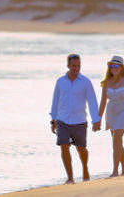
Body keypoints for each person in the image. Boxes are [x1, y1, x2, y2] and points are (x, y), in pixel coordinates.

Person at [50, 53, 102, 184]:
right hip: (62, 120)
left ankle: (85, 169)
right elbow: (55, 101)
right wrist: (53, 120)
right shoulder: (60, 82)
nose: (76, 68)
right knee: (64, 146)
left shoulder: (85, 82)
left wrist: (96, 119)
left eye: (78, 66)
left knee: (81, 149)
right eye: (73, 66)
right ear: (68, 65)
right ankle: (70, 177)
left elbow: (92, 101)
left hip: (79, 121)